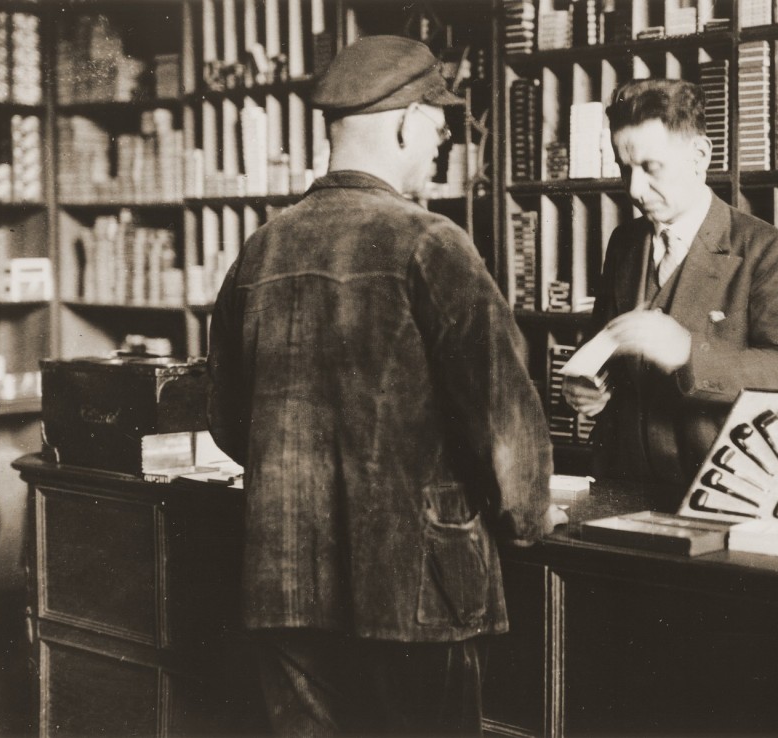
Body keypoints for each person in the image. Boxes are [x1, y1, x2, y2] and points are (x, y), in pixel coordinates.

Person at [207, 34, 563, 736]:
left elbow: (226, 418)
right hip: (417, 587)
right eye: (440, 125)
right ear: (407, 123)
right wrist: (528, 517)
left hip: (285, 585)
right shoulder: (431, 241)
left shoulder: (261, 248)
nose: (442, 143)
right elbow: (503, 416)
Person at [564, 78, 778, 511]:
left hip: (721, 493)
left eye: (651, 167)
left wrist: (686, 352)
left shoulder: (764, 249)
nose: (634, 190)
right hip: (621, 485)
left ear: (699, 156)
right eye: (625, 168)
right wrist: (593, 389)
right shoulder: (624, 244)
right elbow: (606, 351)